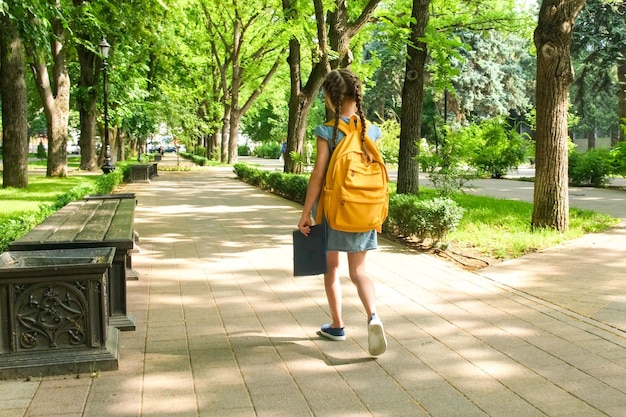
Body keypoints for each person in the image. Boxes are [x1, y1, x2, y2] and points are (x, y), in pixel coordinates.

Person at [297, 69, 387, 356]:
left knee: (332, 269)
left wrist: (306, 212)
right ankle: (373, 315)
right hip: (364, 211)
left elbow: (319, 174)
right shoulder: (370, 130)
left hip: (334, 211)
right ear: (356, 96)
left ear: (329, 97)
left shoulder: (327, 131)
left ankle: (337, 326)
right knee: (359, 271)